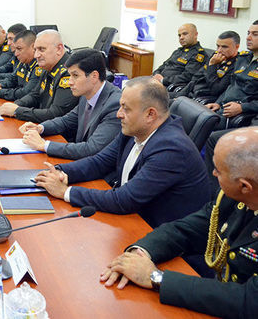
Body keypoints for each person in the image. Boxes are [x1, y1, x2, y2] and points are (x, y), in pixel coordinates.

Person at [100, 127, 258, 318]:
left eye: (218, 171)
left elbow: (249, 300)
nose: (214, 174)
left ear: (244, 186)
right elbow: (188, 229)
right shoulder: (232, 197)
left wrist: (156, 278)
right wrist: (140, 253)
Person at [33, 77, 210, 228]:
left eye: (126, 108)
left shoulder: (171, 148)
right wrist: (61, 172)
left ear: (150, 114)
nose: (119, 114)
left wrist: (66, 192)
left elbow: (124, 199)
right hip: (132, 219)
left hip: (155, 233)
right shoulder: (135, 130)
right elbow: (100, 162)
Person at [20, 48, 121, 160]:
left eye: (75, 76)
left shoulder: (115, 105)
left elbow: (92, 149)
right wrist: (40, 128)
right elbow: (66, 121)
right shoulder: (86, 93)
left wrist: (44, 145)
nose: (70, 82)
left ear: (94, 76)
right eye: (70, 76)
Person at [0, 29, 77, 122]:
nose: (36, 55)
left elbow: (55, 114)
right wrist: (16, 105)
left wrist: (17, 111)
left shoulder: (69, 72)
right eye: (35, 50)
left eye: (42, 49)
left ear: (59, 49)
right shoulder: (48, 66)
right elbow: (35, 95)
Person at [205, 20, 258, 127]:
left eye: (255, 34)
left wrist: (242, 107)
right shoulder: (243, 58)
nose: (248, 38)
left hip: (239, 115)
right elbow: (232, 86)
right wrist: (218, 103)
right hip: (223, 107)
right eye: (248, 33)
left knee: (201, 127)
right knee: (190, 118)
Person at [170, 30, 240, 103]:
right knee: (162, 96)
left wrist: (212, 66)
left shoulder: (237, 65)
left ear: (237, 47)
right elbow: (196, 78)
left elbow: (216, 90)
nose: (219, 50)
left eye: (224, 47)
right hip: (191, 93)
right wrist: (180, 95)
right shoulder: (215, 55)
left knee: (165, 104)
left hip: (203, 99)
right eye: (218, 46)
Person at [0, 30, 42, 103]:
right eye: (16, 49)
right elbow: (13, 79)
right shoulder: (24, 61)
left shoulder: (39, 67)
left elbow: (25, 92)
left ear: (33, 47)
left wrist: (0, 92)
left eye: (19, 49)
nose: (16, 54)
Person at [152, 23, 207, 89]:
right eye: (179, 35)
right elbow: (164, 65)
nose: (181, 37)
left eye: (185, 34)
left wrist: (163, 80)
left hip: (171, 86)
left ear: (195, 34)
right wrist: (156, 74)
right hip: (158, 82)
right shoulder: (178, 51)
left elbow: (187, 77)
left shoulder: (199, 54)